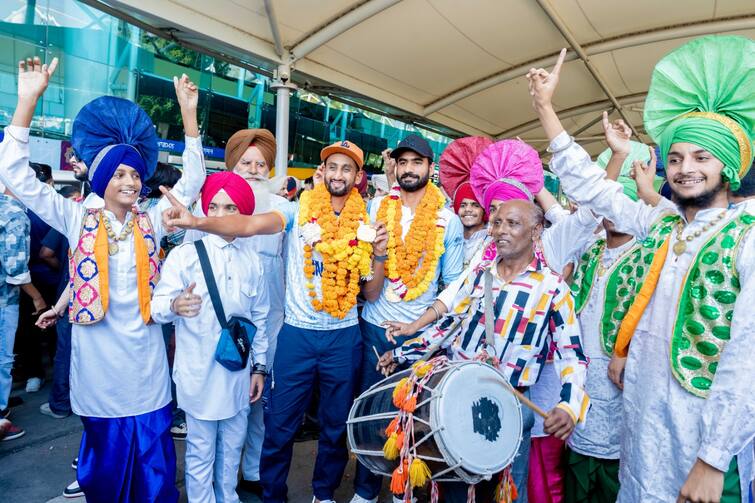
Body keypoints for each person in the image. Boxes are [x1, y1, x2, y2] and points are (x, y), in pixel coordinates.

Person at [527, 36, 754, 502]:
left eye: (700, 157)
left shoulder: (746, 238)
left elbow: (745, 361)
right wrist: (546, 109)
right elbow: (592, 188)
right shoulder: (665, 224)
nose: (684, 168)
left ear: (728, 166)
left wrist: (712, 460)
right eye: (675, 158)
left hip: (703, 444)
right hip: (643, 429)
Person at [0, 57, 206, 502]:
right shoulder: (75, 217)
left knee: (153, 457)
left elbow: (192, 182)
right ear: (99, 179)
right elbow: (15, 174)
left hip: (147, 360)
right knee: (108, 458)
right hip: (98, 364)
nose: (130, 181)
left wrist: (189, 117)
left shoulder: (151, 220)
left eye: (135, 173)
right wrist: (27, 101)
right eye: (119, 173)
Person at [160, 139, 389, 503]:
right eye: (333, 167)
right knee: (280, 425)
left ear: (359, 176)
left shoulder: (366, 224)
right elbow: (249, 225)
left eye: (347, 168)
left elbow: (373, 294)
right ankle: (271, 495)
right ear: (322, 172)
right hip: (297, 334)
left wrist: (378, 256)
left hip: (343, 337)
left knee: (334, 426)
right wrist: (194, 221)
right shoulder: (296, 211)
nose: (339, 174)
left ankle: (324, 494)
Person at [377, 199, 590, 502]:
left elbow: (571, 355)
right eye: (497, 223)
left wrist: (569, 406)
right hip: (460, 399)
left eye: (513, 224)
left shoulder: (553, 290)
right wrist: (401, 354)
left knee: (505, 493)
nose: (501, 231)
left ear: (536, 230)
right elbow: (447, 328)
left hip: (514, 404)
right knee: (455, 488)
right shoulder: (480, 276)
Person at [350, 133, 464, 503]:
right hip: (375, 327)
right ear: (395, 167)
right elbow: (365, 268)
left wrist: (423, 328)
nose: (410, 169)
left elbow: (452, 287)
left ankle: (406, 493)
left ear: (430, 168)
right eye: (404, 162)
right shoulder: (377, 209)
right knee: (370, 410)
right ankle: (365, 492)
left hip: (421, 337)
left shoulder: (448, 221)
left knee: (414, 418)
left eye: (418, 162)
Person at [152, 172, 270, 503]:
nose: (220, 215)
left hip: (237, 373)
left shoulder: (252, 260)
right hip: (198, 373)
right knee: (201, 450)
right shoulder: (185, 255)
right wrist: (176, 304)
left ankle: (228, 497)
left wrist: (260, 368)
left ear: (244, 214)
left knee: (233, 446)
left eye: (231, 208)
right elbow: (158, 308)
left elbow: (259, 317)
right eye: (214, 207)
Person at [0, 181, 42, 441]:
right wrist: (38, 299)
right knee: (3, 358)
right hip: (4, 299)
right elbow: (15, 270)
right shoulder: (14, 212)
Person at [438, 136, 493, 269]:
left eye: (475, 205)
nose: (468, 209)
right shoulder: (446, 233)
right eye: (463, 205)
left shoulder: (492, 239)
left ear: (484, 210)